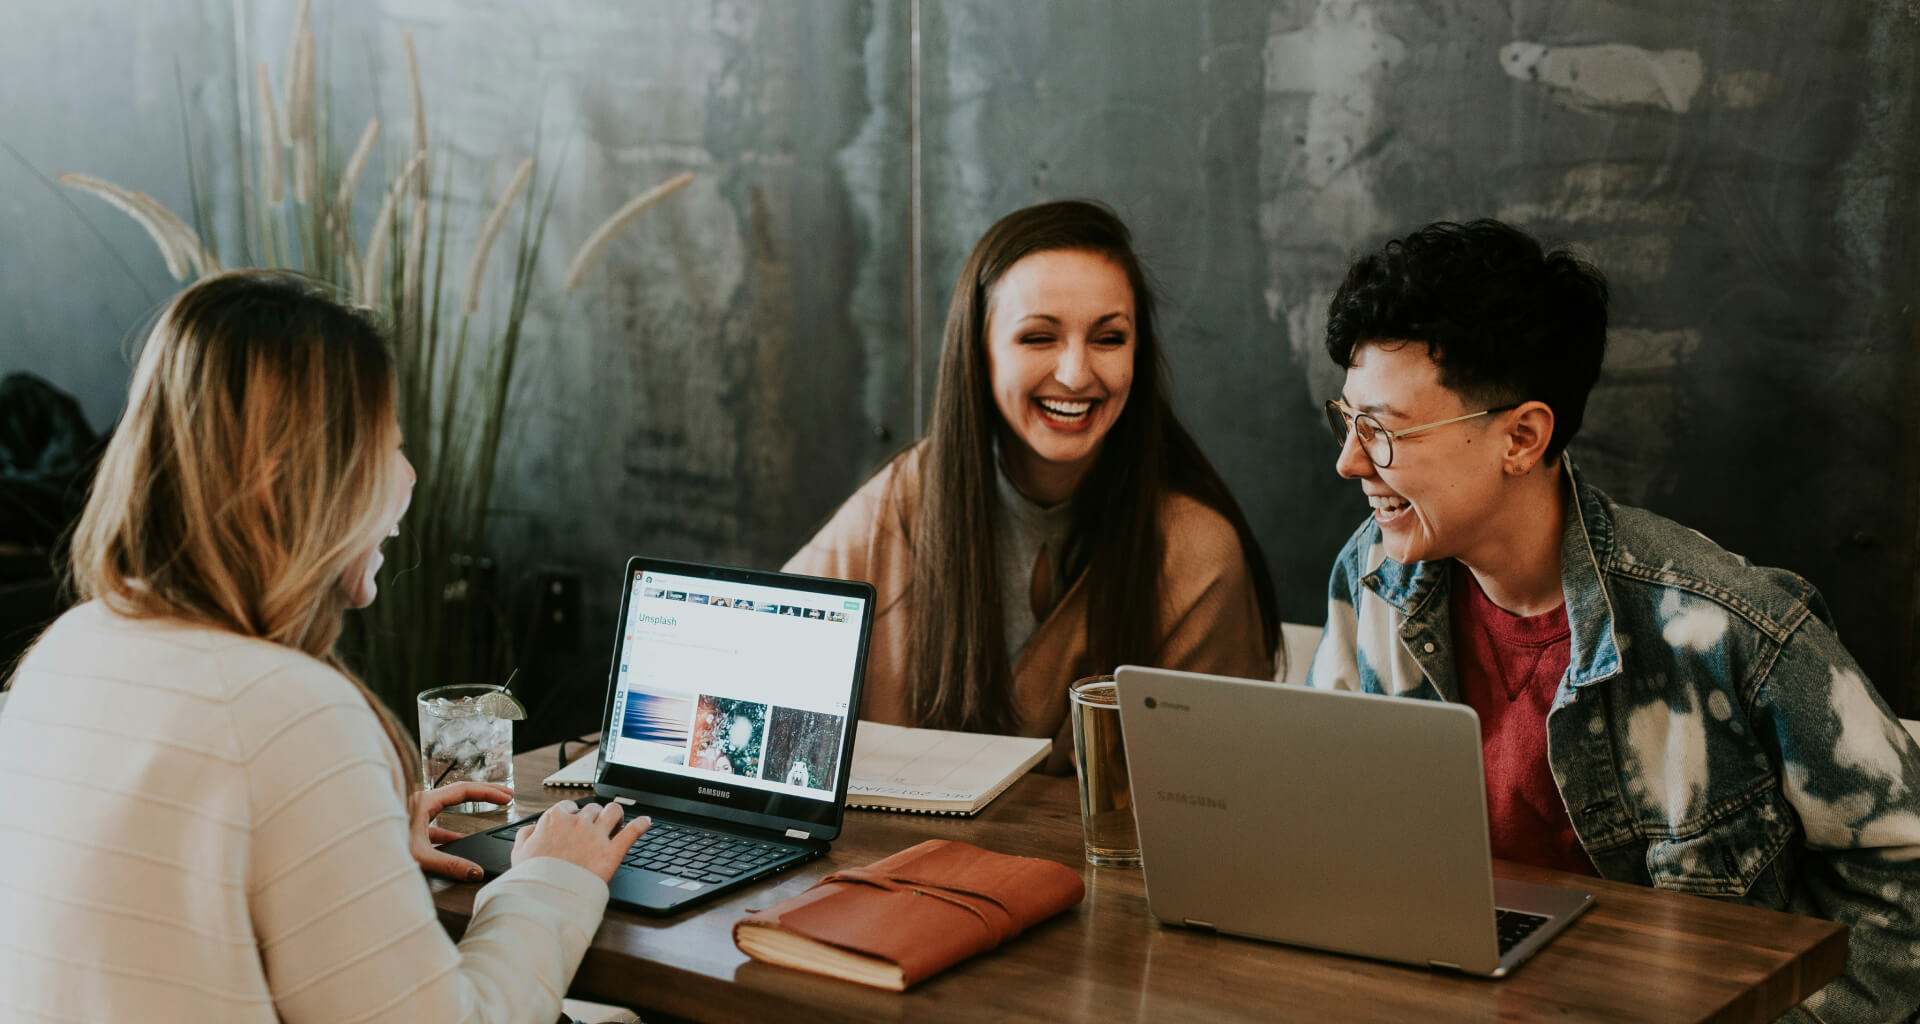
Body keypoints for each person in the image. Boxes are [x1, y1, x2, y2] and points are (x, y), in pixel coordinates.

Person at [1305, 219, 1920, 1023]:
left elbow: (1904, 876)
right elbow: (1323, 819)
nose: (1350, 460)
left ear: (1522, 437)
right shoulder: (1374, 575)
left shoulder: (1725, 625)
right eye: (1346, 420)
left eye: (1382, 430)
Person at [0, 271, 650, 1022]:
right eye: (388, 446)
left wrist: (350, 842)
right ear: (286, 484)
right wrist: (549, 880)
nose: (407, 478)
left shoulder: (67, 650)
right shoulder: (289, 710)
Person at [787, 199, 1279, 772]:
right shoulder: (902, 501)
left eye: (1109, 338)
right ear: (980, 352)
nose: (1075, 374)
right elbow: (759, 661)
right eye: (1038, 338)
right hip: (889, 861)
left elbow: (1220, 796)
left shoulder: (1197, 553)